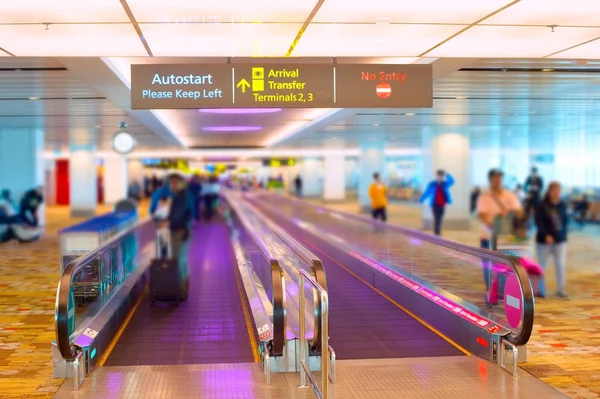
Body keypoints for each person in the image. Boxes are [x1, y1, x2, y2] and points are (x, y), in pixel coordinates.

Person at [477, 169, 522, 290]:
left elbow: (518, 211)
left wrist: (513, 212)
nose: (497, 181)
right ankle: (490, 289)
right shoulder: (485, 196)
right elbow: (481, 214)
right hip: (488, 236)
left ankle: (503, 290)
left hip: (506, 236)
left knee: (505, 265)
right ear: (490, 180)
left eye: (499, 178)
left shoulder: (509, 195)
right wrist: (490, 223)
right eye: (495, 178)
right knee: (488, 265)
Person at [535, 182, 569, 299]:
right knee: (542, 265)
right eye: (554, 190)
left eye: (558, 191)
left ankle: (560, 290)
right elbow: (539, 222)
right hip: (544, 241)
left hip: (560, 240)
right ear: (549, 191)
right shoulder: (542, 205)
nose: (556, 193)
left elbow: (564, 221)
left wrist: (563, 234)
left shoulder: (562, 205)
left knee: (560, 265)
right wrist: (546, 235)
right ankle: (540, 290)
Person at [419, 170, 454, 236]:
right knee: (437, 218)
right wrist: (422, 199)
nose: (440, 178)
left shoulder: (445, 184)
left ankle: (437, 233)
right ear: (436, 176)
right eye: (439, 176)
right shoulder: (432, 184)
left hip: (442, 204)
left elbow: (452, 181)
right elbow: (427, 192)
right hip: (434, 204)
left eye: (441, 176)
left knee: (440, 218)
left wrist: (447, 174)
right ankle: (436, 234)